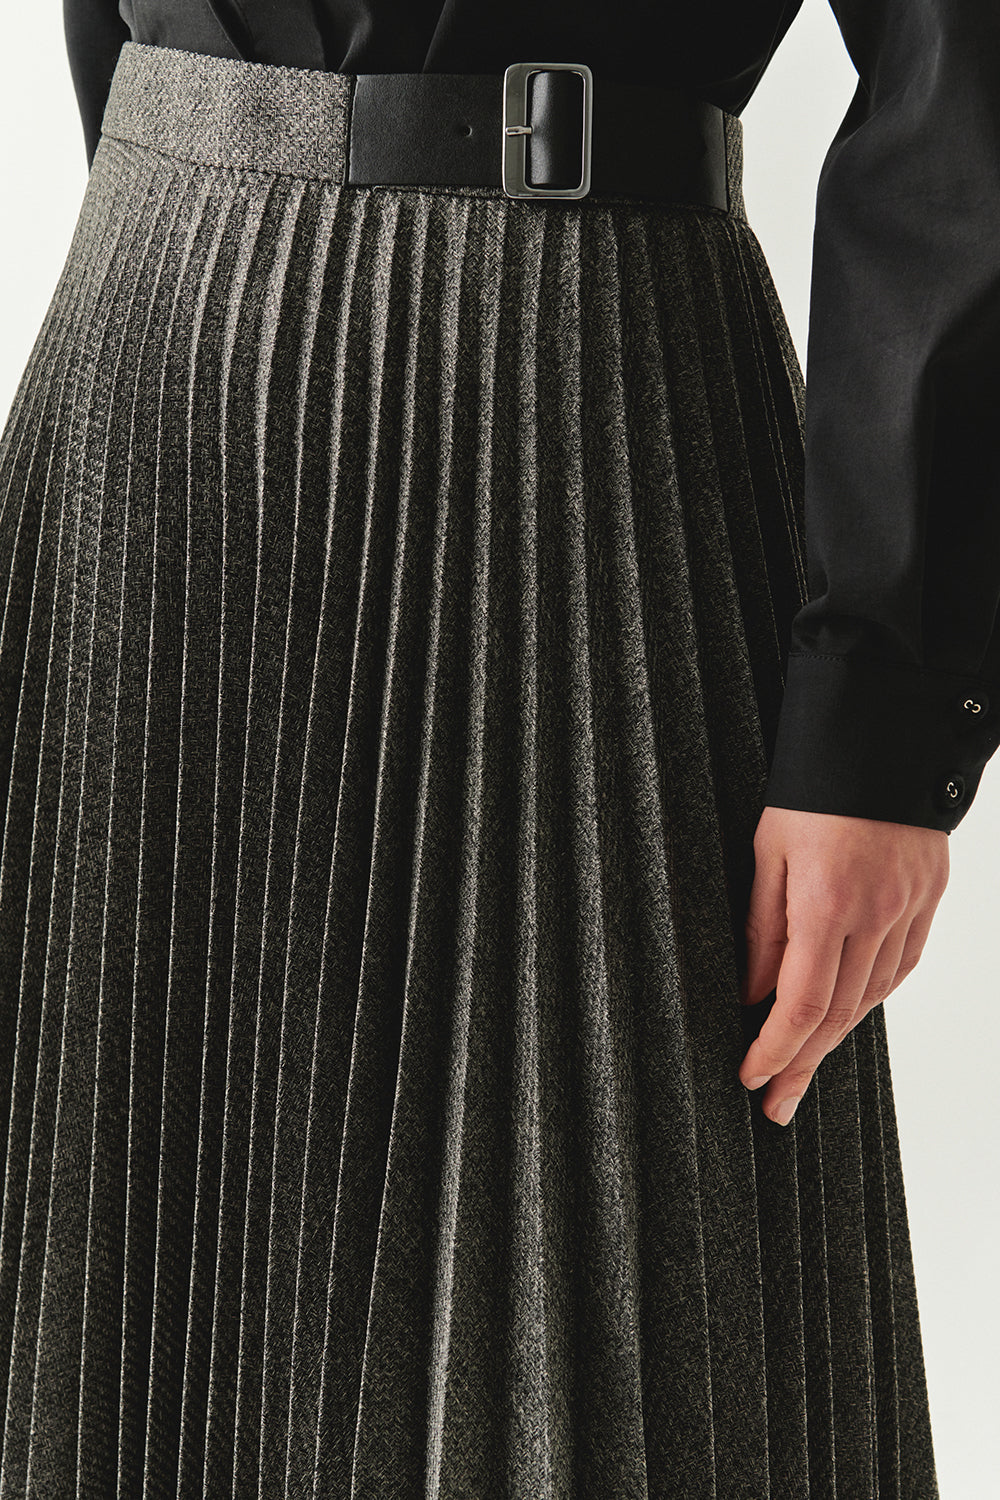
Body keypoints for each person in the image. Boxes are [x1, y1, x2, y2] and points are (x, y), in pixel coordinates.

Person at [0, 0, 995, 1494]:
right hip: (168, 402)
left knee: (631, 1330)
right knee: (138, 1295)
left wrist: (888, 709)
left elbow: (964, 86)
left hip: (607, 431)